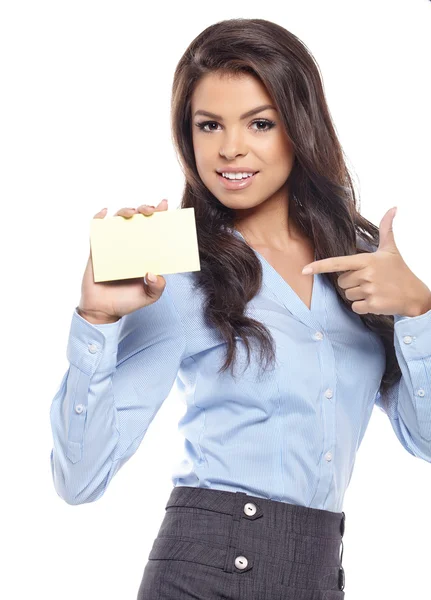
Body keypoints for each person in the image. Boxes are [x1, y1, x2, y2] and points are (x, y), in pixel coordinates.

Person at [49, 18, 431, 600]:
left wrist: (419, 312)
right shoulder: (173, 266)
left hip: (318, 574)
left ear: (298, 128)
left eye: (259, 122)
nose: (230, 148)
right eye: (209, 125)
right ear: (189, 136)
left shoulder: (360, 264)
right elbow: (78, 481)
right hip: (205, 573)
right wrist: (97, 321)